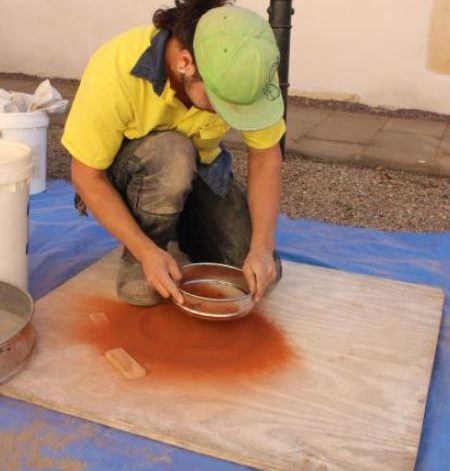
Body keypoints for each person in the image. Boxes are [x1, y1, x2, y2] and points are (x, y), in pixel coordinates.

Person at [62, 0, 286, 308]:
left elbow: (266, 156)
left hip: (200, 170)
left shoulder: (251, 69)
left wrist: (261, 246)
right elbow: (86, 175)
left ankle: (181, 225)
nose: (232, 115)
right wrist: (145, 252)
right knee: (174, 153)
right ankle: (146, 249)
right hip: (128, 181)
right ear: (185, 62)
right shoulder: (115, 69)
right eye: (221, 102)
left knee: (252, 272)